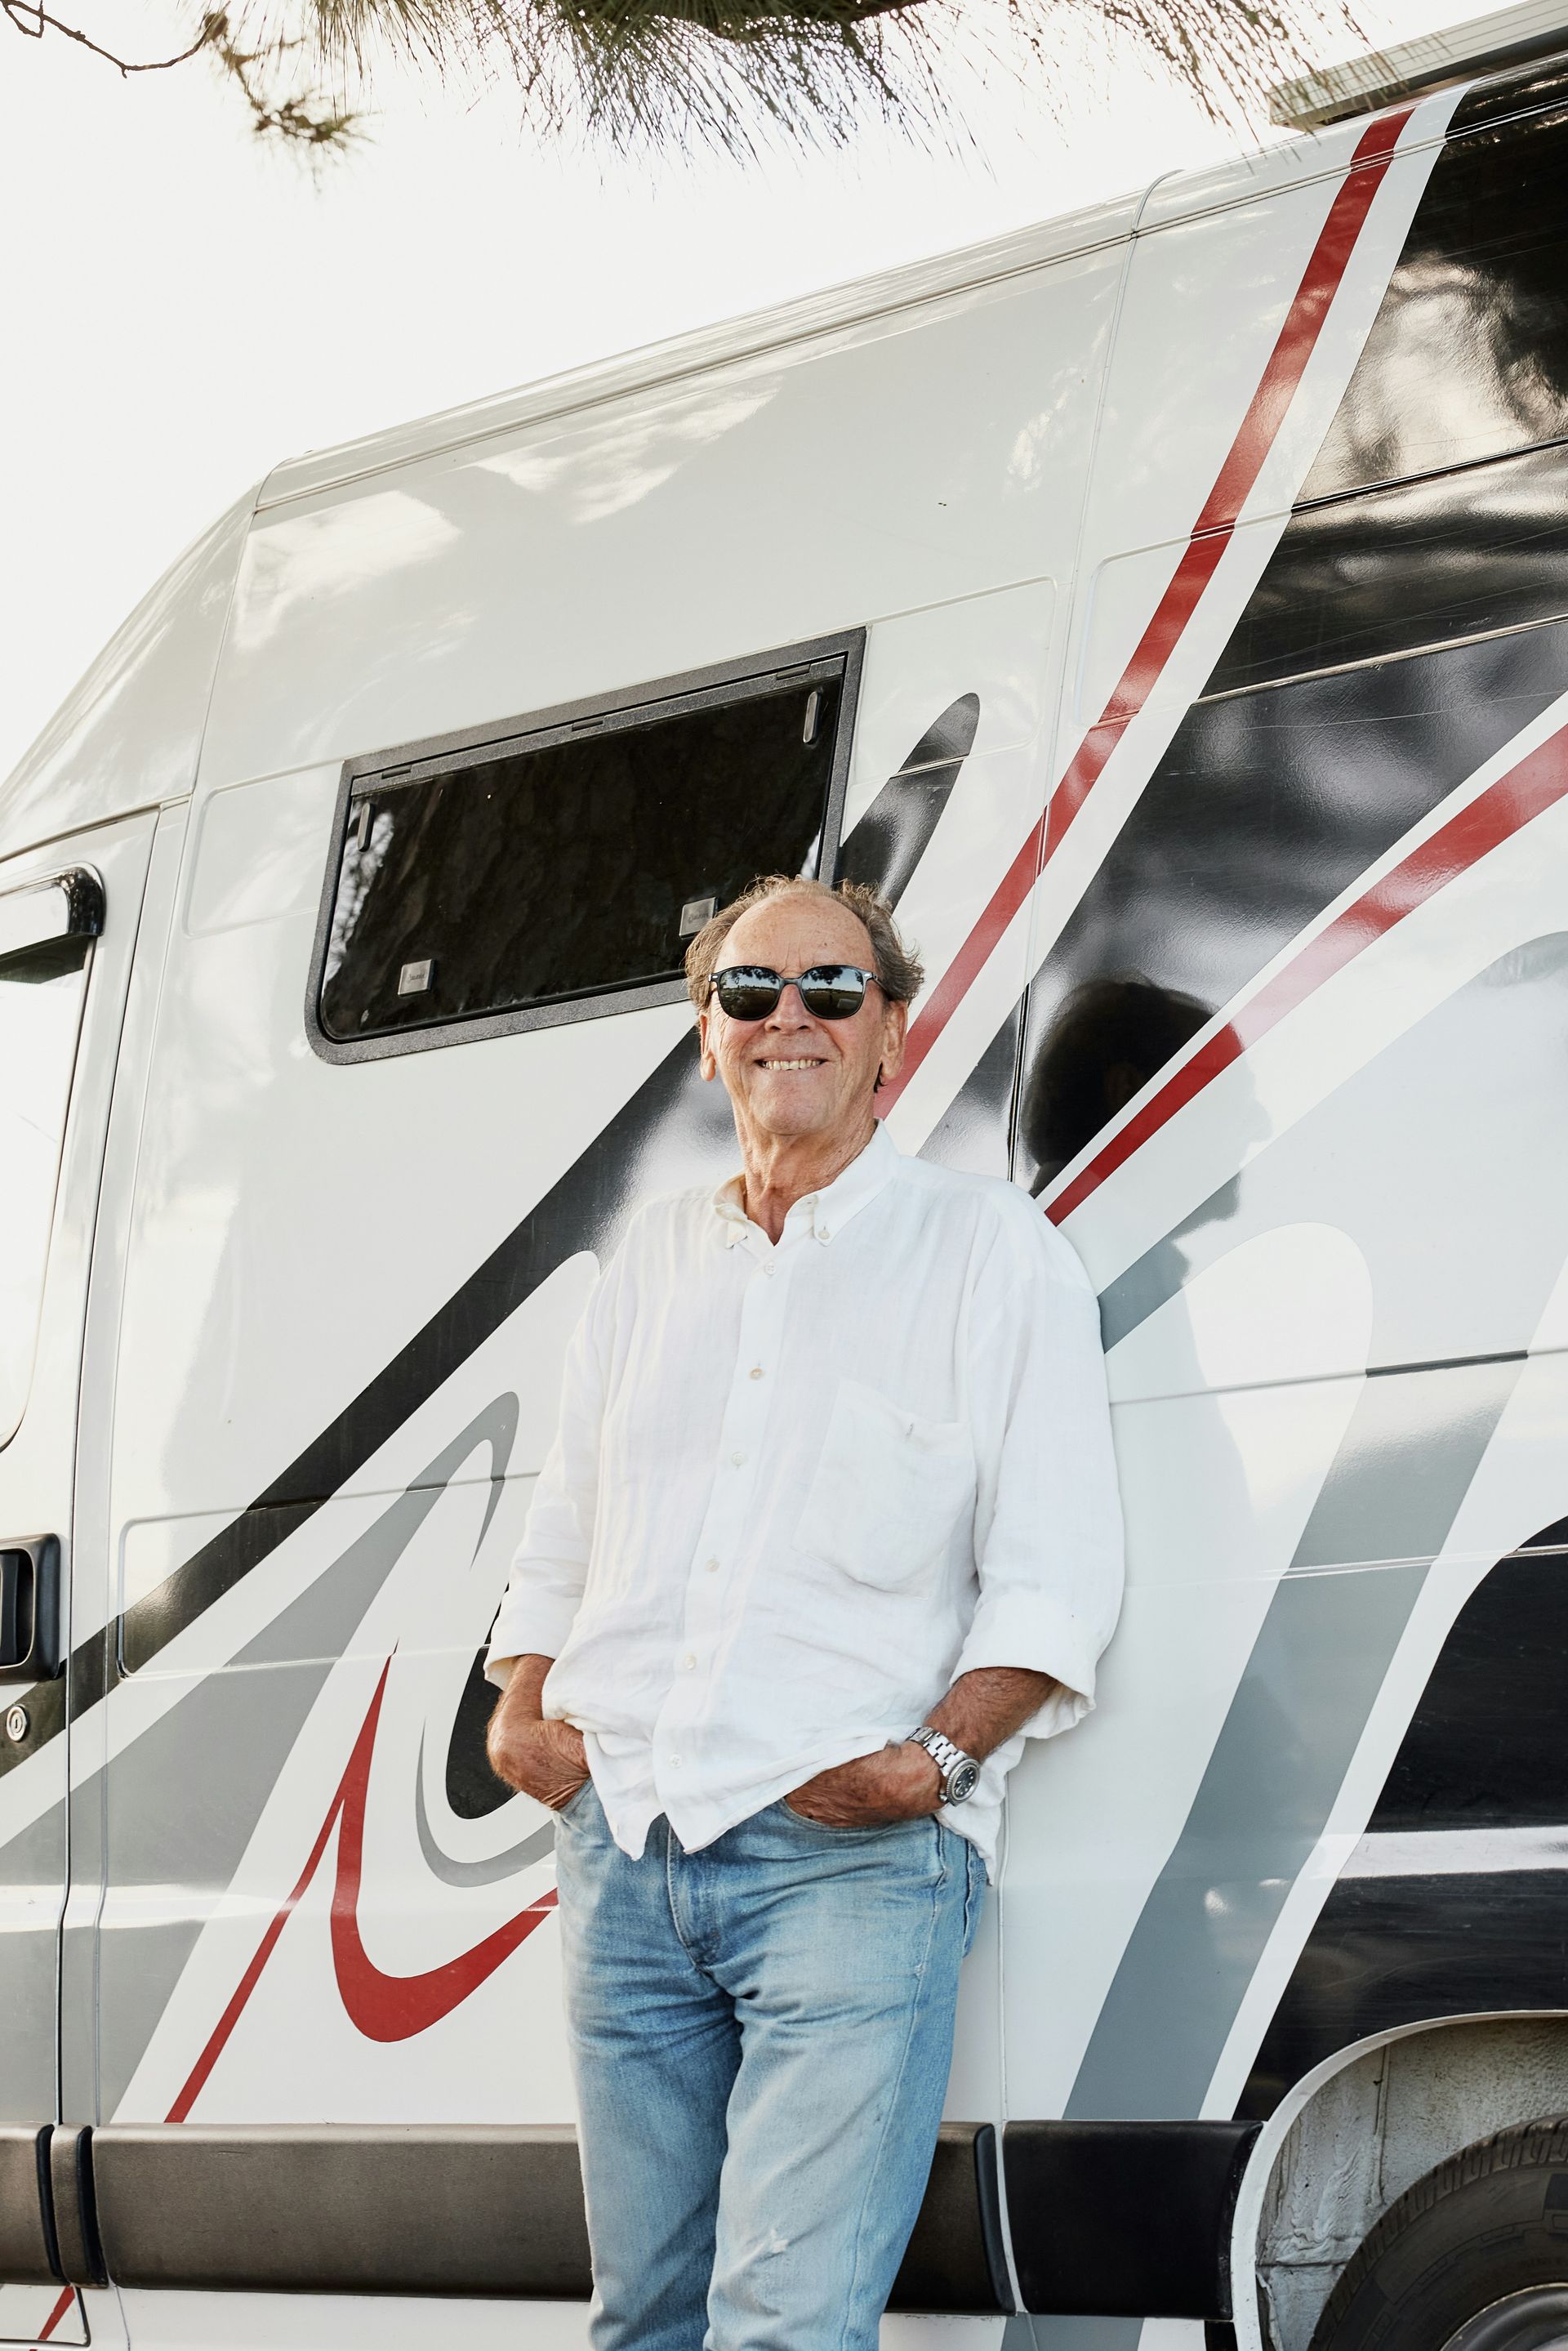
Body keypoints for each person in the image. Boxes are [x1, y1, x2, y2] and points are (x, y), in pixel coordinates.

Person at [485, 872, 1124, 2351]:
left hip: (849, 1862)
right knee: (641, 2318)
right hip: (627, 1839)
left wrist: (932, 1767)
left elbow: (1058, 1564)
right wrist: (521, 1707)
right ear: (705, 1035)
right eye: (751, 991)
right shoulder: (649, 1257)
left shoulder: (990, 1252)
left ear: (892, 1030)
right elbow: (566, 1516)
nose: (792, 1018)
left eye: (834, 989)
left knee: (785, 2327)